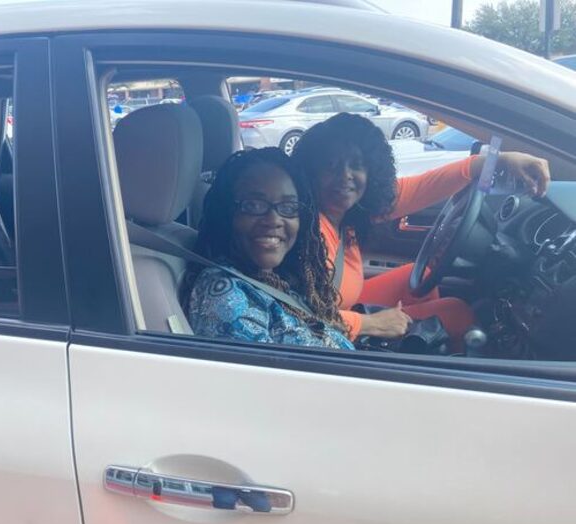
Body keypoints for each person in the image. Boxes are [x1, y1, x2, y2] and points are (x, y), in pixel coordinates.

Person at [291, 113, 550, 344]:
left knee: (414, 278)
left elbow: (420, 187)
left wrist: (496, 161)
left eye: (356, 165)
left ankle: (419, 351)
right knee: (454, 313)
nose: (345, 176)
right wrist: (371, 324)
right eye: (331, 166)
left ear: (371, 172)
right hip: (330, 332)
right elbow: (296, 317)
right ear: (310, 172)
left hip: (342, 306)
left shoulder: (345, 214)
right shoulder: (306, 232)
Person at [181, 148, 353, 350]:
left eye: (288, 207)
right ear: (227, 214)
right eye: (253, 205)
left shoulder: (279, 282)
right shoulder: (226, 295)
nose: (273, 220)